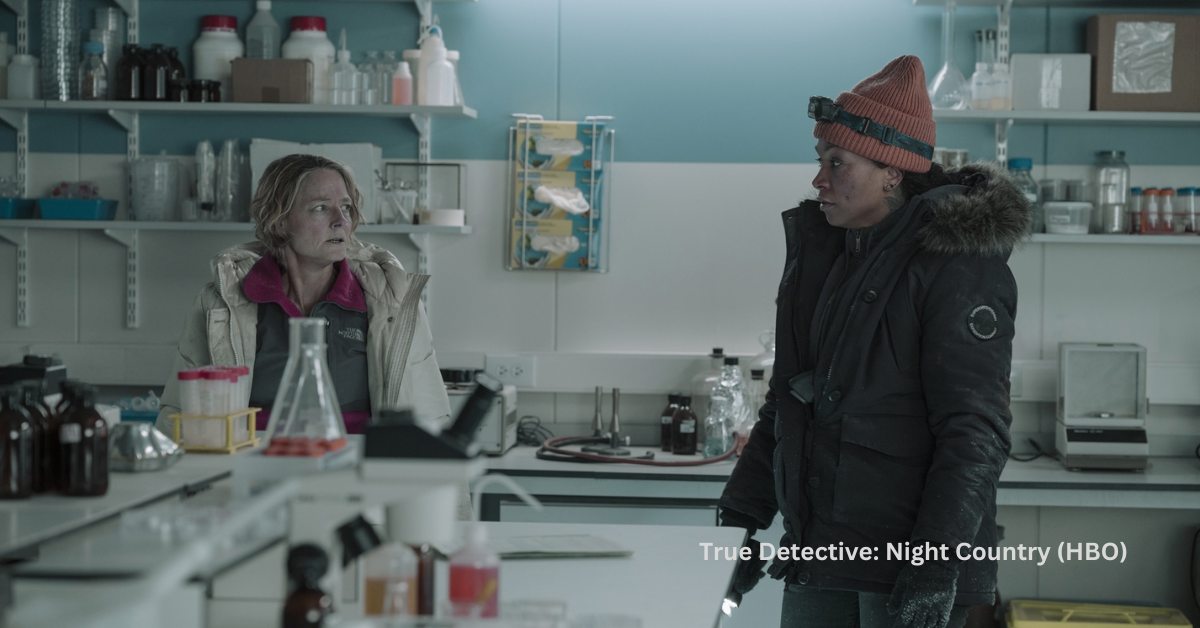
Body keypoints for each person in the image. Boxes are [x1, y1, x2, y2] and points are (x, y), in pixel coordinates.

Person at [718, 56, 1029, 628]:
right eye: (820, 161)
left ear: (892, 173)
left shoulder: (957, 265)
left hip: (910, 561)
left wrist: (936, 562)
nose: (819, 179)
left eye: (838, 163)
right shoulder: (830, 258)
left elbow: (974, 430)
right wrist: (743, 517)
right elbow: (791, 400)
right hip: (821, 552)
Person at [157, 154, 462, 511]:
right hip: (251, 494)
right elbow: (180, 416)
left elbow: (431, 419)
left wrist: (448, 521)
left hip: (364, 494)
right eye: (320, 208)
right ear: (279, 220)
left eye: (346, 207)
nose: (340, 220)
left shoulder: (391, 301)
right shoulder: (222, 304)